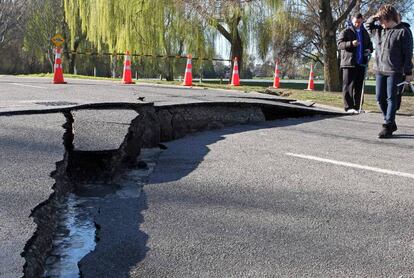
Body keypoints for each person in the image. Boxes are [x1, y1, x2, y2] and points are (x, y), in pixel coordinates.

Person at [365, 5, 413, 138]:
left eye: (382, 20)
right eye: (379, 20)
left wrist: (408, 73)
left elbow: (408, 54)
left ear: (389, 18)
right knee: (380, 99)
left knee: (391, 98)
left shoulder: (404, 31)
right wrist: (374, 17)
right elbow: (367, 26)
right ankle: (391, 122)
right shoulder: (379, 30)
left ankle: (388, 125)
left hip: (395, 71)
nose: (380, 23)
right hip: (380, 70)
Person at [338, 12, 373, 114]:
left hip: (361, 63)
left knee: (359, 86)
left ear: (362, 20)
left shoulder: (365, 33)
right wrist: (351, 44)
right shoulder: (346, 31)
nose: (357, 24)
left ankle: (358, 107)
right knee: (348, 86)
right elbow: (340, 45)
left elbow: (370, 45)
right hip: (349, 63)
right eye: (355, 22)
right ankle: (349, 107)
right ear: (352, 21)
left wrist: (369, 50)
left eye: (359, 22)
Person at [396, 13, 413, 111]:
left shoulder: (406, 30)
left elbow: (408, 50)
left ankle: (395, 108)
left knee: (398, 90)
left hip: (401, 66)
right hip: (389, 66)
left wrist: (408, 69)